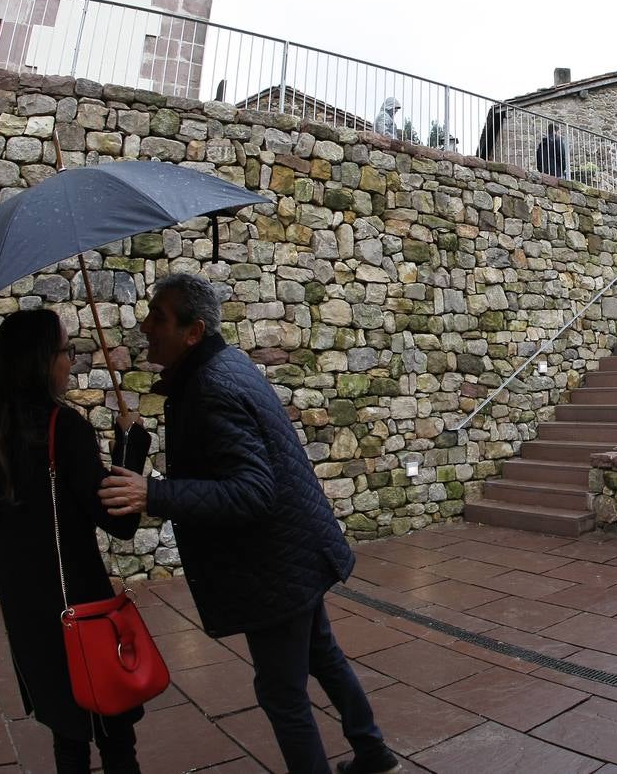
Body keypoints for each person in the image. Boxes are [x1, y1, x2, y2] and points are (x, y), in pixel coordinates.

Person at [98, 274, 399, 774]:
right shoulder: (221, 365)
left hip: (273, 565)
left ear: (193, 332)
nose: (145, 325)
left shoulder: (209, 386)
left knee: (281, 693)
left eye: (159, 317)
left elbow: (252, 490)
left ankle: (368, 754)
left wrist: (153, 492)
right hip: (294, 549)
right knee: (322, 655)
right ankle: (374, 753)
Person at [0, 308, 150, 774]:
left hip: (31, 617)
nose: (71, 362)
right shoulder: (65, 430)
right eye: (66, 350)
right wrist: (130, 447)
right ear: (42, 361)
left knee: (69, 739)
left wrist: (23, 520)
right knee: (114, 737)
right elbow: (118, 522)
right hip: (80, 612)